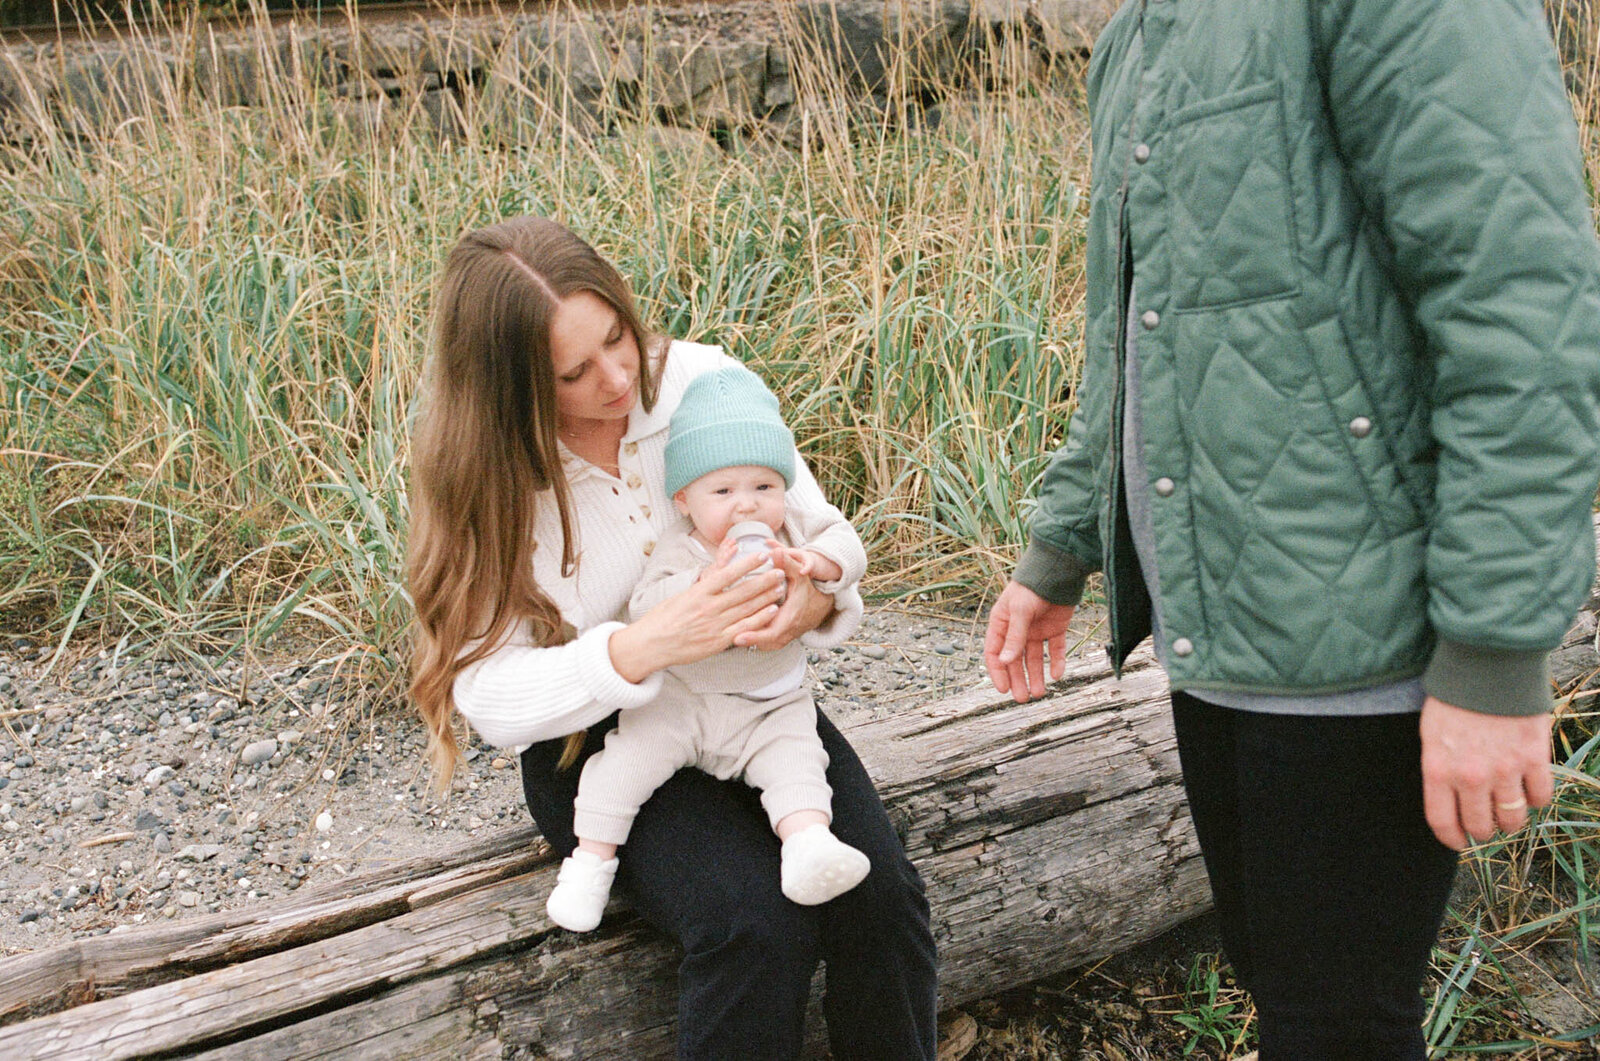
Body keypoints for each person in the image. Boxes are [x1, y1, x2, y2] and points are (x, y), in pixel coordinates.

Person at [984, 2, 1600, 1058]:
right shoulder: (1146, 29)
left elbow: (1525, 318)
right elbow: (1137, 328)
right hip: (1219, 624)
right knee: (1294, 997)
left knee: (1337, 1022)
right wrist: (1065, 541)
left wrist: (1495, 650)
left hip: (1365, 632)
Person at [407, 216, 937, 1059]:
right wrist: (644, 644)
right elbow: (489, 698)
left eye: (618, 337)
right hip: (598, 742)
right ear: (512, 390)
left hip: (757, 699)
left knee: (880, 898)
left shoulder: (704, 381)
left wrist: (808, 604)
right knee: (752, 924)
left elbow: (825, 536)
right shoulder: (490, 473)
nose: (618, 377)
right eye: (573, 373)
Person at [546, 363, 872, 932]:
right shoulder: (682, 550)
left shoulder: (792, 534)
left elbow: (847, 542)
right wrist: (696, 589)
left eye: (763, 487)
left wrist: (821, 567)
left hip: (768, 702)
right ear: (685, 502)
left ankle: (808, 848)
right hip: (683, 701)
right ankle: (590, 863)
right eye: (723, 491)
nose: (746, 506)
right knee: (623, 767)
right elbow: (645, 606)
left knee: (798, 764)